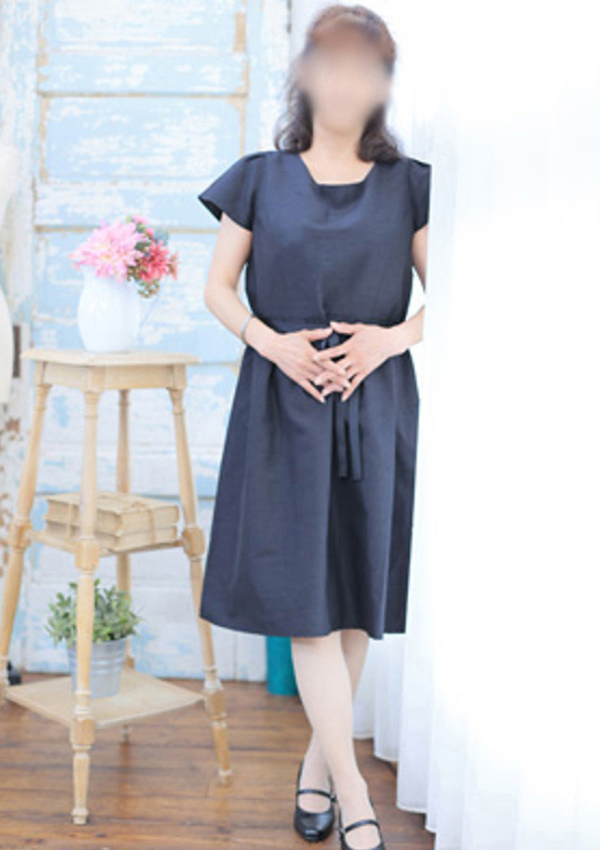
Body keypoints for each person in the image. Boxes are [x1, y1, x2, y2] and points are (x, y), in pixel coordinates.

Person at [197, 5, 431, 849]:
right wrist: (273, 343)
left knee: (356, 601)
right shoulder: (260, 178)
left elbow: (462, 296)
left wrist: (388, 338)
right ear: (305, 75)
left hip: (377, 404)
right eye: (330, 64)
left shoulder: (412, 186)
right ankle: (355, 793)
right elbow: (218, 288)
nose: (345, 83)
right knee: (307, 606)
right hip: (283, 406)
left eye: (364, 67)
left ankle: (315, 767)